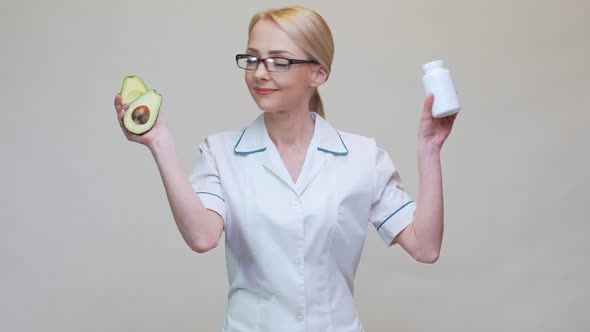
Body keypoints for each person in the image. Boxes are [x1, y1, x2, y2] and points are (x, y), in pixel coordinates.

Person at [113, 5, 457, 332]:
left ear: (318, 73)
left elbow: (425, 247)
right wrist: (160, 142)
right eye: (252, 59)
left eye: (279, 62)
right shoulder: (220, 153)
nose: (260, 73)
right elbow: (202, 237)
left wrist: (430, 149)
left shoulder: (362, 157)